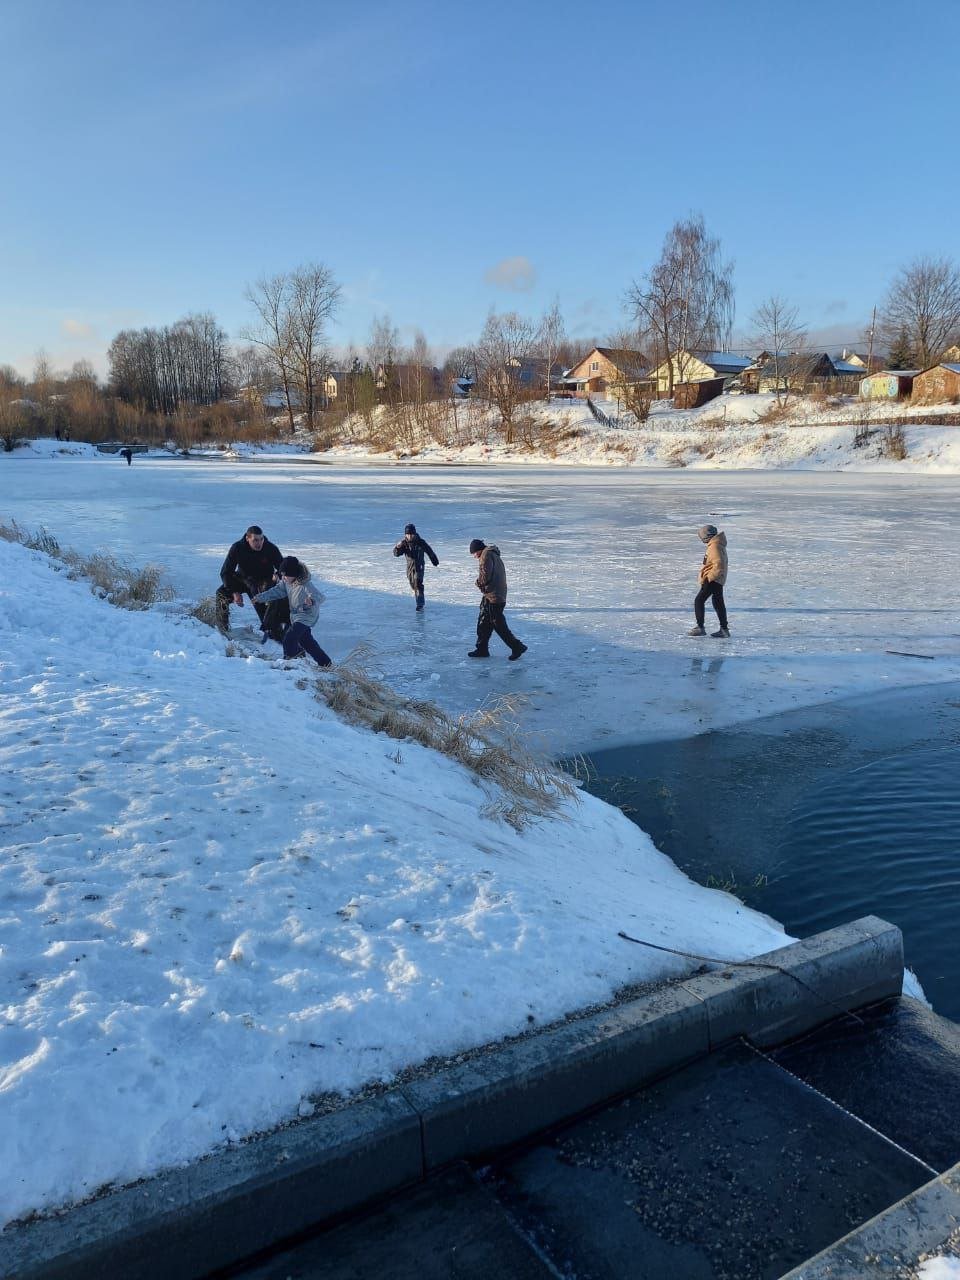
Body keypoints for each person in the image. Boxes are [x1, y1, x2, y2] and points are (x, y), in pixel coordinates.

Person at [254, 556, 332, 667]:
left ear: (294, 574)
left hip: (306, 616)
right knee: (307, 643)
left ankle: (289, 664)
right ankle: (326, 664)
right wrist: (260, 597)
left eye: (286, 575)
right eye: (282, 575)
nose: (283, 577)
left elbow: (319, 597)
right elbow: (277, 591)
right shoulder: (286, 582)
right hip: (295, 616)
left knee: (289, 639)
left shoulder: (305, 584)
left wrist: (311, 600)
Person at [215, 525, 289, 640]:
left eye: (261, 539)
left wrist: (277, 576)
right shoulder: (237, 548)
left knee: (266, 613)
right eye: (255, 540)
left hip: (263, 582)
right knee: (221, 593)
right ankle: (222, 629)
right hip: (243, 579)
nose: (259, 543)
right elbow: (225, 572)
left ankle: (275, 633)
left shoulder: (270, 548)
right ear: (247, 538)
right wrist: (234, 592)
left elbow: (282, 568)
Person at [467, 538, 527, 660]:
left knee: (498, 624)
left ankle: (517, 647)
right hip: (492, 594)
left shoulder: (486, 556)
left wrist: (478, 583)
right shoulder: (491, 553)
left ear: (478, 550)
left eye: (474, 553)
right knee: (484, 622)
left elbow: (485, 576)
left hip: (495, 596)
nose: (474, 557)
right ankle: (482, 649)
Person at [689, 524, 729, 638]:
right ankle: (724, 629)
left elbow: (719, 564)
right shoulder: (716, 544)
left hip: (713, 578)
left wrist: (709, 578)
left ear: (706, 536)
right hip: (718, 578)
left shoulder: (715, 546)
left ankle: (700, 627)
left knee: (699, 600)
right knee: (718, 603)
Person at [393, 522, 439, 610]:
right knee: (413, 585)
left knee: (418, 584)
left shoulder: (420, 542)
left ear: (414, 534)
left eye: (411, 534)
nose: (410, 536)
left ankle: (420, 604)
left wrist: (434, 560)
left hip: (419, 566)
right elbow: (396, 554)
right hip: (410, 568)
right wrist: (397, 547)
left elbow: (429, 551)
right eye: (408, 534)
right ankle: (418, 597)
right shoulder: (404, 544)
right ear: (405, 535)